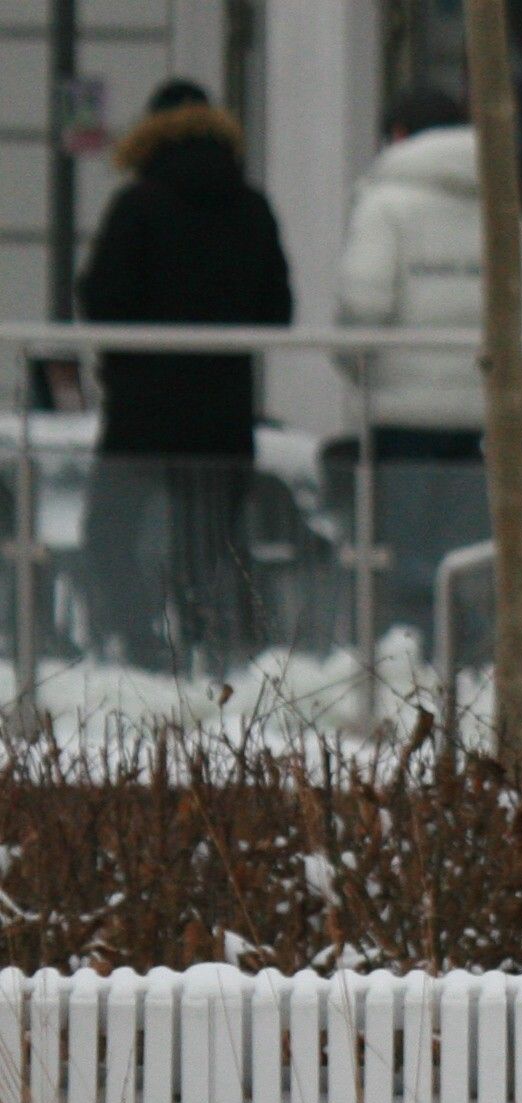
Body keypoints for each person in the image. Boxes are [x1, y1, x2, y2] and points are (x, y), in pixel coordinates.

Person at [75, 78, 293, 669]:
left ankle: (145, 649)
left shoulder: (136, 204)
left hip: (140, 415)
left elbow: (101, 299)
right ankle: (214, 656)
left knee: (109, 536)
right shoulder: (251, 206)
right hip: (223, 415)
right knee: (211, 549)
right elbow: (277, 311)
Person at [331, 88, 522, 646]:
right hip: (483, 412)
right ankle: (470, 653)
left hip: (402, 413)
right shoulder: (500, 203)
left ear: (399, 136)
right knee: (468, 545)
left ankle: (414, 654)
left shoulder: (385, 204)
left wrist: (356, 369)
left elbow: (362, 305)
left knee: (404, 544)